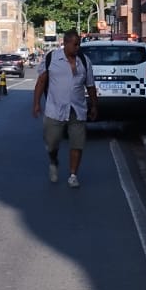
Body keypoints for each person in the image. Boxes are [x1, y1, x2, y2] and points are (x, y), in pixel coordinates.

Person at [32, 30, 98, 188]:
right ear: (66, 43)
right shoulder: (52, 59)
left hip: (77, 110)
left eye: (79, 44)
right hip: (55, 109)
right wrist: (36, 103)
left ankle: (73, 175)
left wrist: (94, 105)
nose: (77, 48)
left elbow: (90, 86)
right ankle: (53, 161)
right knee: (52, 142)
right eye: (75, 44)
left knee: (77, 143)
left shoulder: (84, 61)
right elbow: (41, 82)